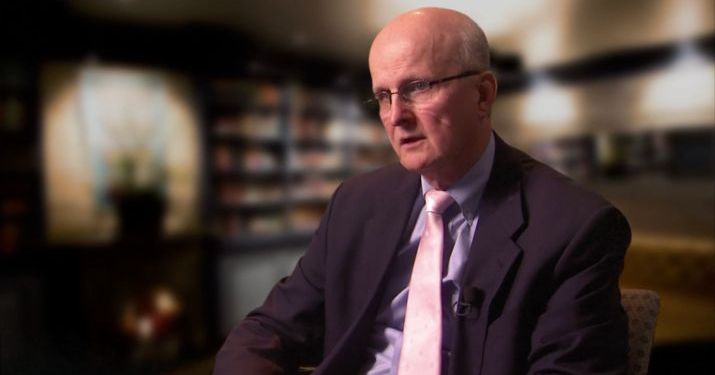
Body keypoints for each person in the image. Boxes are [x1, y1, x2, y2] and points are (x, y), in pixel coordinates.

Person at [214, 7, 630, 375]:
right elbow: (268, 329)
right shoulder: (356, 202)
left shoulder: (575, 227)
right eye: (383, 96)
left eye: (417, 87)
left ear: (482, 95)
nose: (396, 116)